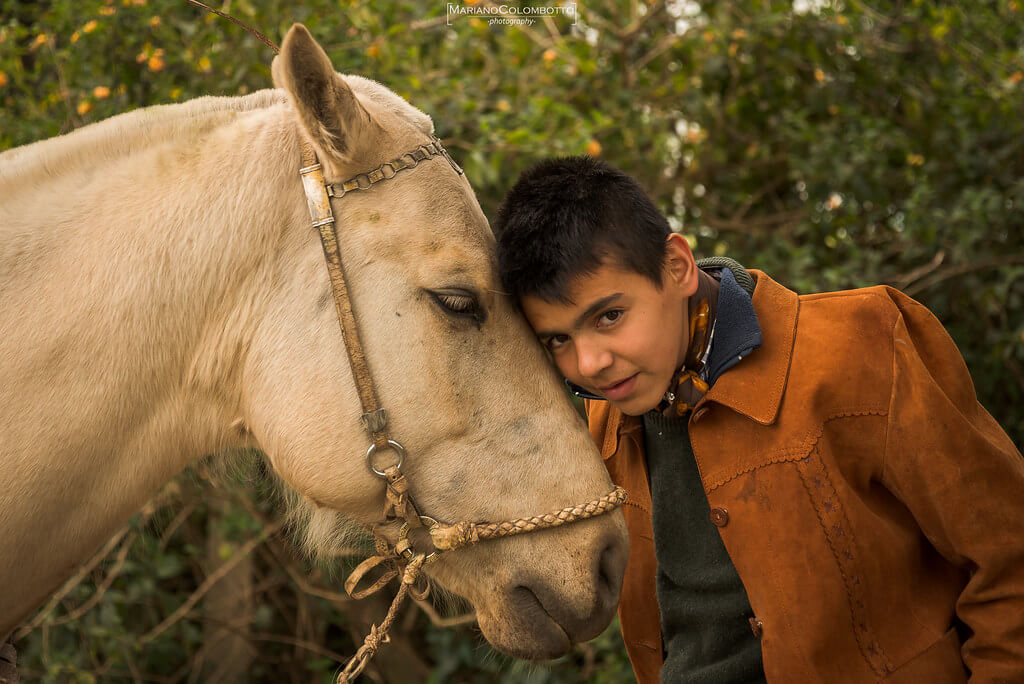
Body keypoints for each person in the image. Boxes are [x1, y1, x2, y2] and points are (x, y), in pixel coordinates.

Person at [492, 156, 1024, 683]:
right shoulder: (608, 420)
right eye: (558, 340)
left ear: (676, 267)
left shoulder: (863, 345)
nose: (589, 364)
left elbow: (1009, 563)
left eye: (609, 316)